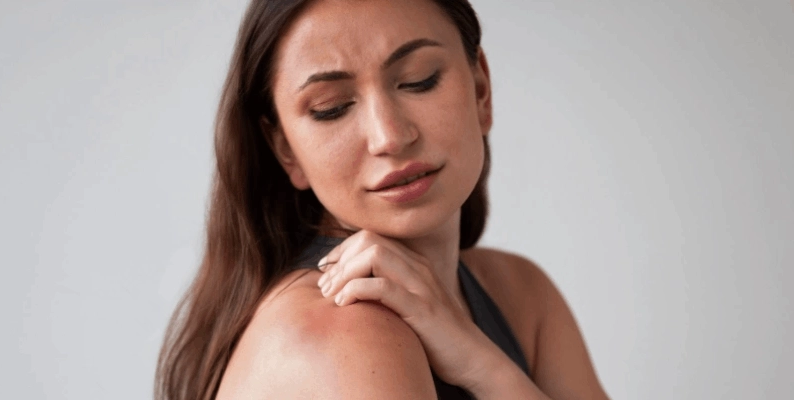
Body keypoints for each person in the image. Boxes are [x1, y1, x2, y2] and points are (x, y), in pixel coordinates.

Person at [155, 0, 609, 398]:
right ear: (285, 150)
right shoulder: (349, 328)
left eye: (419, 80)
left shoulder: (520, 292)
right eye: (331, 107)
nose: (389, 136)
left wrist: (479, 361)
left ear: (480, 91)